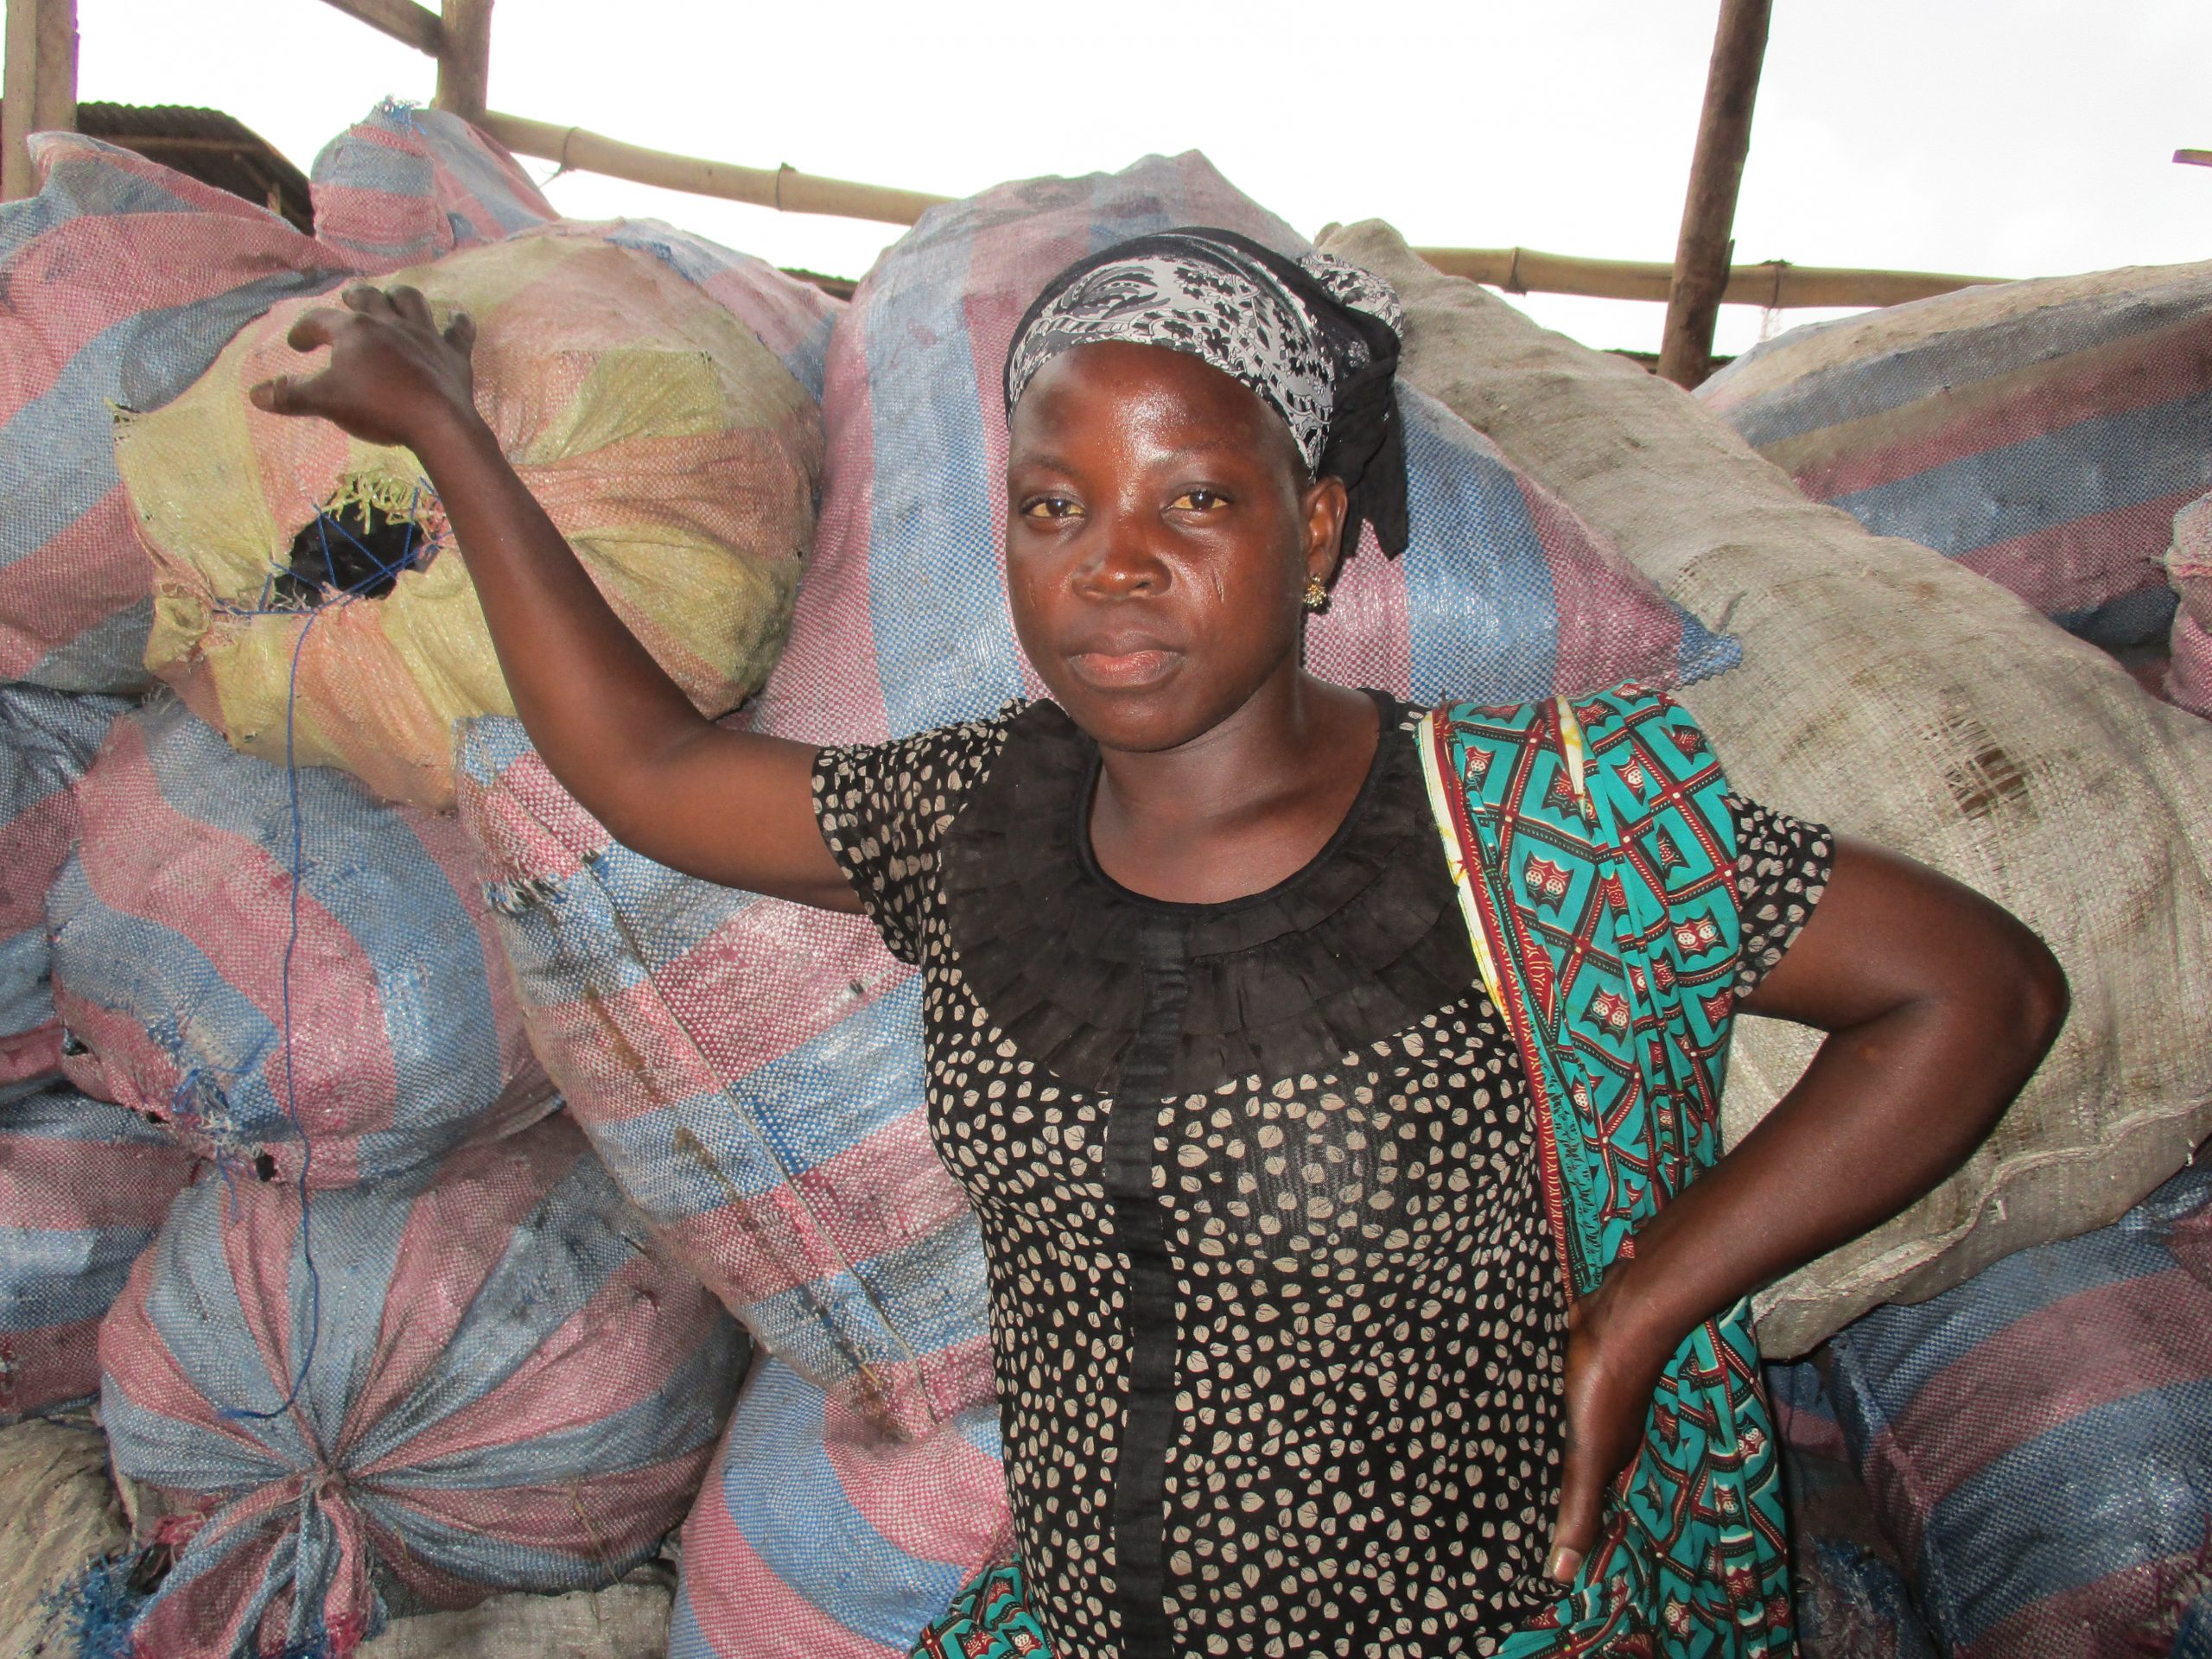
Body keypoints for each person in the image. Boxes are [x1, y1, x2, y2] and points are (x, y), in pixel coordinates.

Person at [250, 227, 2067, 1659]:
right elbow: (652, 773)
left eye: (1192, 499)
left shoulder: (1520, 827)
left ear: (1314, 531)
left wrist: (1638, 1314)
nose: (1112, 565)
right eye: (1057, 507)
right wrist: (448, 432)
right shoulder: (978, 817)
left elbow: (1973, 990)